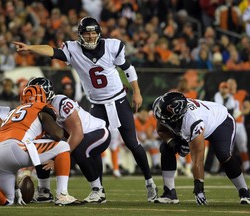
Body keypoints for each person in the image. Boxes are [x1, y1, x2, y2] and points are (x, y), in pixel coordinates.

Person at [13, 16, 158, 202]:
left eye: (93, 32)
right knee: (92, 148)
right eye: (86, 33)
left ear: (99, 33)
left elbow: (128, 68)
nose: (90, 36)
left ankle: (150, 182)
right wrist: (31, 47)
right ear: (80, 35)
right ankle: (99, 190)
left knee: (132, 143)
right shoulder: (73, 49)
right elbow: (52, 51)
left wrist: (136, 92)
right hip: (97, 105)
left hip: (119, 101)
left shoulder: (113, 46)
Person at [0, 85, 81, 206]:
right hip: (17, 147)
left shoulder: (13, 111)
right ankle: (62, 195)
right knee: (63, 146)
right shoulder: (41, 106)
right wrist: (61, 129)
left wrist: (15, 186)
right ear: (43, 98)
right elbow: (57, 135)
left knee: (6, 200)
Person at [152, 91, 250, 205]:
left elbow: (198, 158)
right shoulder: (163, 109)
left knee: (223, 155)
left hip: (220, 123)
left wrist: (199, 189)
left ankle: (245, 192)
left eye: (166, 117)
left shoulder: (192, 121)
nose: (163, 119)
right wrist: (173, 144)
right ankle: (169, 193)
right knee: (166, 147)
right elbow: (161, 130)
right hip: (200, 120)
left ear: (177, 114)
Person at [28, 77, 111, 204]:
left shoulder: (60, 102)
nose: (33, 96)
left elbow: (77, 134)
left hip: (96, 131)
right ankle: (44, 191)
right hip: (75, 136)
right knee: (42, 146)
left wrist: (58, 157)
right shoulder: (36, 109)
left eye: (36, 93)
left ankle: (98, 191)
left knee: (79, 149)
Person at [227, 78, 250, 173]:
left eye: (233, 83)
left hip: (239, 124)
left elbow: (248, 108)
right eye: (229, 84)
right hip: (228, 125)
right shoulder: (224, 95)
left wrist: (241, 112)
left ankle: (247, 168)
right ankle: (228, 169)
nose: (231, 86)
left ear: (236, 85)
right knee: (228, 149)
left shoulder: (242, 94)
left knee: (243, 147)